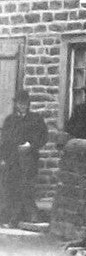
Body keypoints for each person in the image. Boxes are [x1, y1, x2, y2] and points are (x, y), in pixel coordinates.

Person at [0, 90, 49, 227]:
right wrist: (3, 157)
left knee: (27, 186)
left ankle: (30, 214)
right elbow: (4, 140)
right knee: (13, 187)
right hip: (13, 159)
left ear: (28, 104)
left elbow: (43, 136)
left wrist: (31, 145)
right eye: (20, 103)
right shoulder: (10, 120)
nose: (22, 106)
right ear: (16, 104)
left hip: (29, 159)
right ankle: (12, 217)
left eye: (25, 103)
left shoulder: (36, 119)